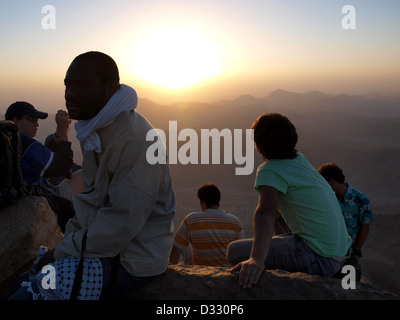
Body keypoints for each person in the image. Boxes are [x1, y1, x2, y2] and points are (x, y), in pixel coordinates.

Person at [6, 51, 176, 300]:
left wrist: (63, 251)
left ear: (111, 88)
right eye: (68, 84)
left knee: (28, 294)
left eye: (82, 85)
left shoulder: (135, 140)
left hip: (132, 258)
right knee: (20, 284)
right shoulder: (97, 131)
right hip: (104, 247)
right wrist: (66, 245)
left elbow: (122, 223)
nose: (70, 93)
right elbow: (92, 202)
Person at [226, 113, 352, 289]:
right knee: (278, 221)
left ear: (258, 145)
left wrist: (256, 259)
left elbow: (265, 212)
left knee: (234, 251)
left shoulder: (270, 170)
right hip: (340, 252)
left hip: (321, 258)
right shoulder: (300, 160)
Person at [5, 102, 76, 230]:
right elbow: (61, 167)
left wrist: (54, 143)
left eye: (37, 120)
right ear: (16, 121)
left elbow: (35, 162)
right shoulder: (25, 142)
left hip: (17, 193)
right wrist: (63, 130)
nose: (37, 124)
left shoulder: (8, 141)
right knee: (84, 175)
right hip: (39, 194)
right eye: (31, 119)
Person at [318, 162, 374, 281]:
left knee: (348, 287)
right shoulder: (329, 198)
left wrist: (355, 252)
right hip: (330, 251)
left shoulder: (361, 200)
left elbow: (365, 229)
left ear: (331, 182)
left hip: (350, 253)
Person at [170, 183, 244, 266]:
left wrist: (171, 269)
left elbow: (176, 249)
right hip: (227, 271)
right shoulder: (236, 222)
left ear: (202, 202)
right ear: (218, 200)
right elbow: (239, 252)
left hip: (201, 272)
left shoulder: (191, 219)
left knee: (184, 244)